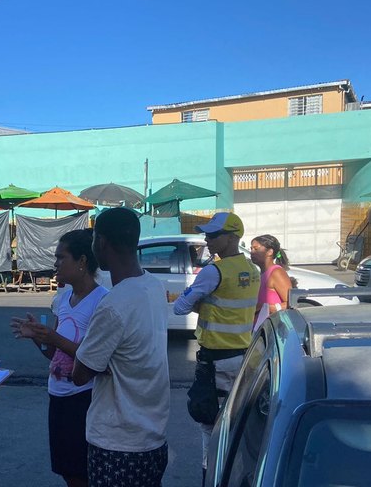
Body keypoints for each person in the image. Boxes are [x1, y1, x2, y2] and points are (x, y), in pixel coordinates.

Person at [71, 208, 170, 487]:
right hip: (153, 436)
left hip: (117, 445)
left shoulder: (113, 306)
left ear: (101, 242)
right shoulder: (152, 286)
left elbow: (80, 373)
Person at [10, 229, 108, 487]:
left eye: (61, 257)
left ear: (82, 262)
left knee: (82, 472)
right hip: (58, 395)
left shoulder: (102, 302)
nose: (55, 264)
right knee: (66, 469)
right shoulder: (64, 300)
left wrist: (52, 337)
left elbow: (96, 360)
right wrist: (37, 337)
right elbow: (55, 356)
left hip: (84, 398)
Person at [173, 212, 260, 484]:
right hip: (242, 359)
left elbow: (179, 307)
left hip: (216, 362)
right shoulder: (252, 270)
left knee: (209, 428)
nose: (207, 239)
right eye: (207, 234)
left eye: (213, 235)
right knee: (235, 425)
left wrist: (203, 303)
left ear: (233, 237)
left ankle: (210, 477)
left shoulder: (214, 271)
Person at [250, 234, 293, 330]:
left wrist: (269, 308)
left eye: (256, 249)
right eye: (251, 249)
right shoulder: (261, 273)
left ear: (270, 252)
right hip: (259, 330)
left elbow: (291, 303)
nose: (252, 252)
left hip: (273, 331)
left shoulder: (276, 272)